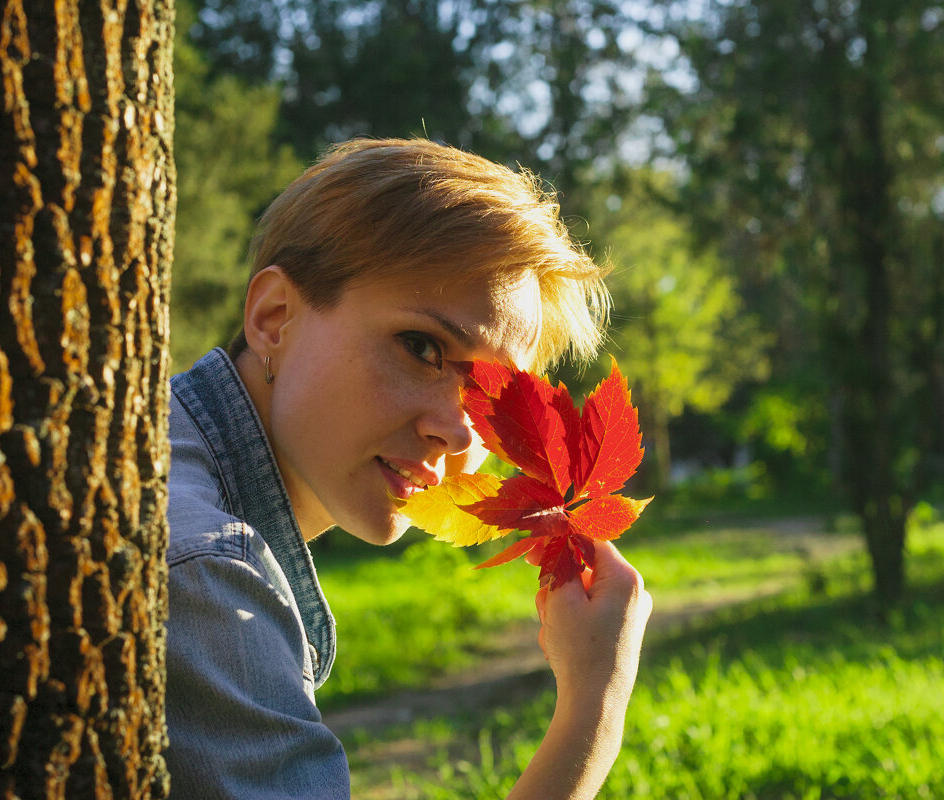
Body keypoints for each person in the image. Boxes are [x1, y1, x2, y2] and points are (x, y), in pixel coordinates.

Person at [164, 138, 653, 799]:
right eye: (422, 348)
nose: (458, 432)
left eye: (494, 397)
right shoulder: (208, 574)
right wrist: (592, 715)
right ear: (274, 318)